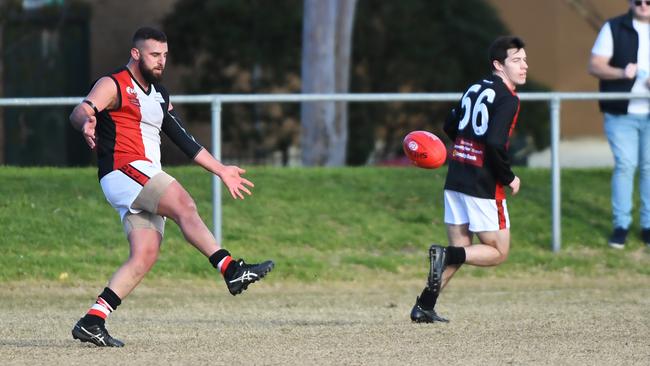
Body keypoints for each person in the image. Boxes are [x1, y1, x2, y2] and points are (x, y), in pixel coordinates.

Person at [69, 27, 274, 347]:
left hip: (144, 175)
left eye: (164, 55)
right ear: (136, 53)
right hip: (123, 170)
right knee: (184, 204)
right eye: (154, 54)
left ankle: (93, 320)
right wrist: (86, 121)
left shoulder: (161, 95)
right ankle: (231, 269)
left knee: (145, 254)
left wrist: (221, 170)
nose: (161, 61)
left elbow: (183, 139)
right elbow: (81, 109)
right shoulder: (113, 83)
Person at [410, 36, 527, 323]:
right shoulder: (508, 99)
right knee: (497, 253)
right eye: (516, 60)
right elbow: (496, 142)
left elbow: (451, 125)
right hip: (482, 184)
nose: (524, 66)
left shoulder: (475, 88)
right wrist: (508, 177)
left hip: (456, 176)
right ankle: (443, 256)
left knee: (461, 251)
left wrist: (465, 146)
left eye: (524, 59)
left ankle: (424, 305)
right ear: (498, 65)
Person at [589, 0, 650, 249]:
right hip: (621, 112)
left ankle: (648, 227)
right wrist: (623, 72)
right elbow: (595, 65)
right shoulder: (614, 27)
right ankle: (621, 226)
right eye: (639, 1)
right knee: (626, 165)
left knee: (648, 167)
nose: (644, 5)